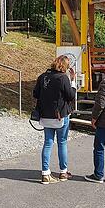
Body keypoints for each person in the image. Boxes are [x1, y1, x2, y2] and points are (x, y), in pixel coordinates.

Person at [33, 55, 77, 184]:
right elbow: (70, 95)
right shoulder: (63, 78)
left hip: (45, 115)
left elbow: (35, 94)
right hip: (60, 115)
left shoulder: (43, 77)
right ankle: (63, 172)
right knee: (62, 142)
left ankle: (45, 173)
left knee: (48, 142)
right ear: (65, 66)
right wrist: (73, 81)